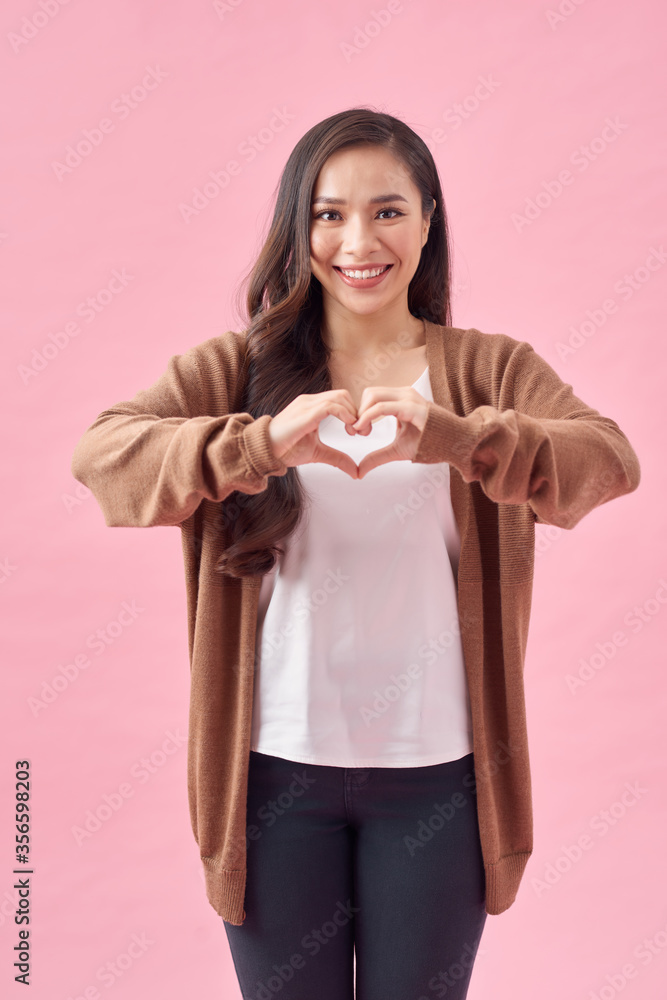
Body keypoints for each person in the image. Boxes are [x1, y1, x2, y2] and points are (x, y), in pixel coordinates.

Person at [71, 107, 641, 999]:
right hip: (270, 780)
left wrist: (455, 437)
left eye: (386, 210)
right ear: (298, 229)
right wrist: (258, 444)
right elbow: (102, 458)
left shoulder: (485, 369)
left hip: (437, 782)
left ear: (427, 220)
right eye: (328, 213)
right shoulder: (242, 367)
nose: (356, 240)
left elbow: (607, 462)